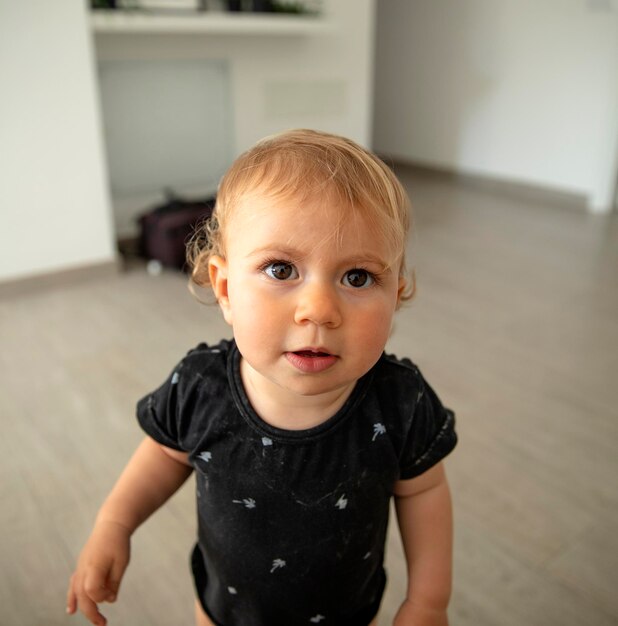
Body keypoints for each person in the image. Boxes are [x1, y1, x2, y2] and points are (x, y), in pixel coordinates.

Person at [66, 129, 457, 626]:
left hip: (350, 614)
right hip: (223, 613)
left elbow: (423, 492)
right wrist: (114, 522)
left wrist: (428, 600)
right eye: (280, 269)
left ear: (395, 293)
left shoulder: (400, 401)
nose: (318, 309)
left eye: (357, 277)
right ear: (226, 288)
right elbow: (165, 454)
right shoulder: (200, 387)